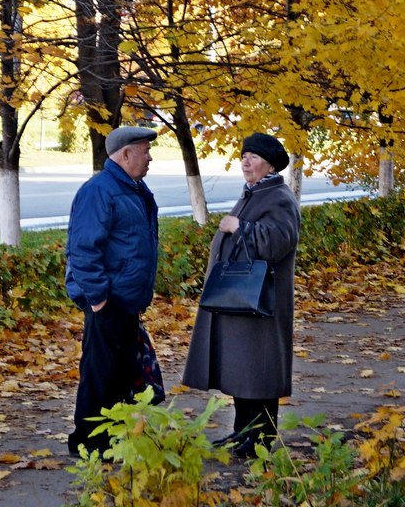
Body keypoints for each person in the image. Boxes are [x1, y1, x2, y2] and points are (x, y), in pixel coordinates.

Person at [183, 132, 301, 459]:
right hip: (244, 301)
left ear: (270, 163)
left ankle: (259, 439)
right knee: (244, 373)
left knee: (259, 374)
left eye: (253, 156)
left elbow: (279, 241)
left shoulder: (278, 197)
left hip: (262, 303)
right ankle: (242, 432)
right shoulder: (255, 193)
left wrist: (239, 227)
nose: (246, 162)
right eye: (244, 155)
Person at [65, 126, 159, 456]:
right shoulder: (100, 191)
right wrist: (99, 298)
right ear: (125, 154)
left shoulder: (133, 190)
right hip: (108, 302)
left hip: (126, 301)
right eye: (145, 150)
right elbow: (83, 249)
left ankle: (113, 439)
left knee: (122, 373)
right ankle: (88, 442)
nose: (150, 157)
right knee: (100, 373)